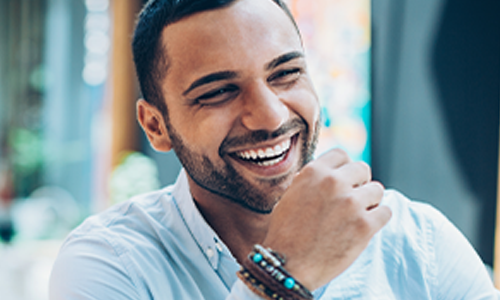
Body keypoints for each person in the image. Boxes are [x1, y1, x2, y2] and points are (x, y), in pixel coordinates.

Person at [49, 0, 499, 299]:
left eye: (285, 73)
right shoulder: (109, 264)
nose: (269, 117)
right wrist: (284, 275)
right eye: (219, 91)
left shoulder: (417, 243)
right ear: (156, 125)